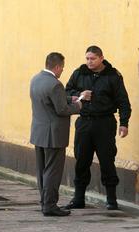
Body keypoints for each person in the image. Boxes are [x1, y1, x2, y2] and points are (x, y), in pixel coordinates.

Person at [64, 45, 131, 210]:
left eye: (92, 59)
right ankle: (78, 198)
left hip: (105, 123)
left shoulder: (113, 76)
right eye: (87, 58)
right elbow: (66, 93)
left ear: (101, 58)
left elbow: (123, 101)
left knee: (107, 160)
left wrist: (124, 123)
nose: (89, 62)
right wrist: (79, 96)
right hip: (85, 122)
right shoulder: (79, 73)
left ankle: (111, 199)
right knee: (82, 160)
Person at [30, 52, 81, 216]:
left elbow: (51, 100)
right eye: (62, 68)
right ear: (57, 66)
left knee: (41, 170)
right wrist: (79, 105)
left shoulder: (36, 79)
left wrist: (71, 98)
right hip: (54, 134)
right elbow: (62, 110)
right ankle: (50, 205)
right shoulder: (55, 84)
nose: (62, 71)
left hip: (39, 132)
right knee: (53, 170)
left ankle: (44, 201)